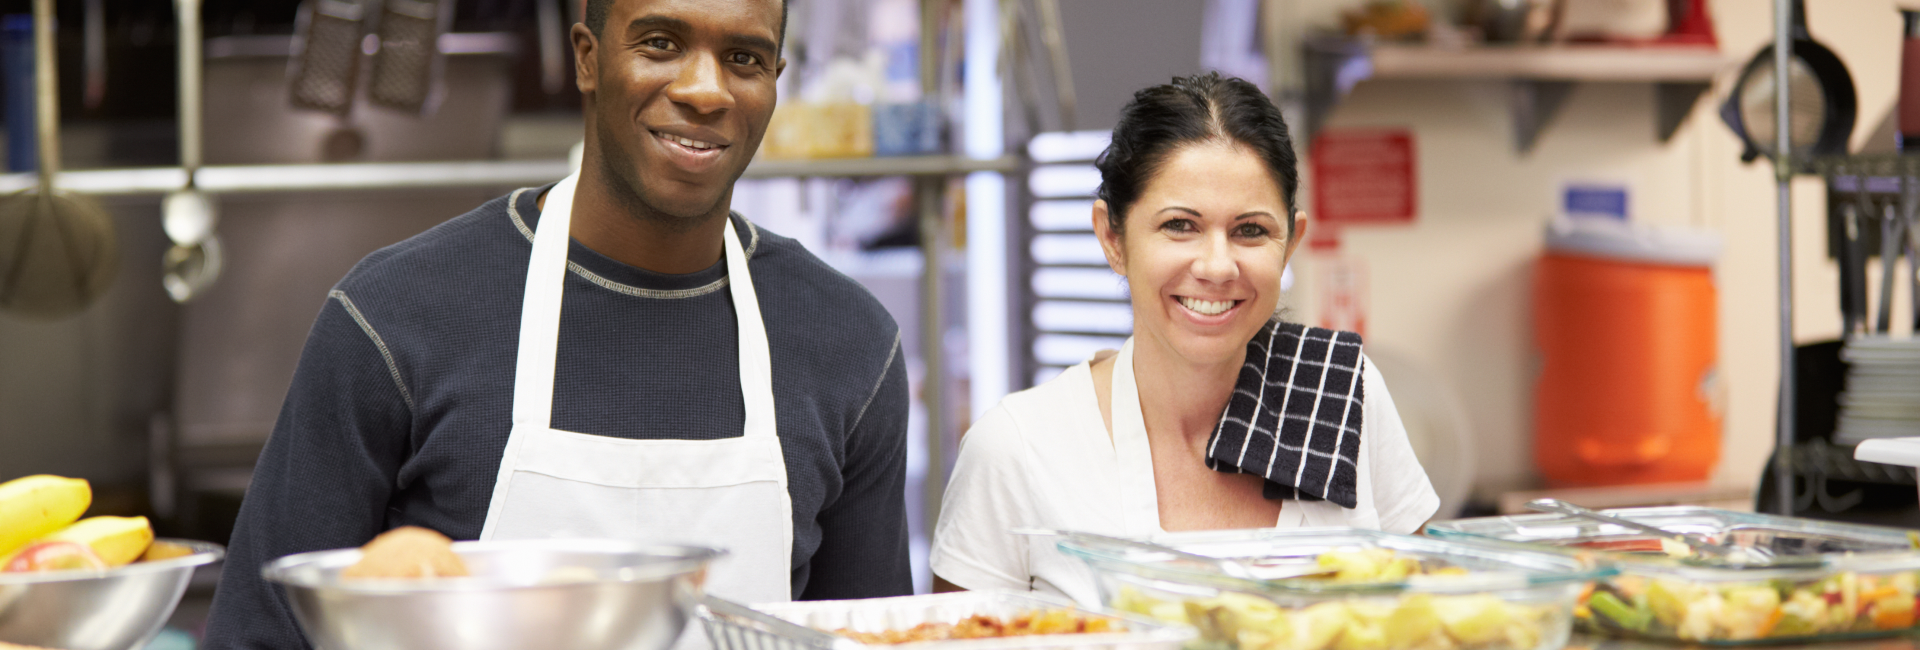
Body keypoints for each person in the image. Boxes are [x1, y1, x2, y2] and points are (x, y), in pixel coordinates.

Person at [205, 0, 912, 646]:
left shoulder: (850, 344)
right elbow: (259, 635)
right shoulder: (395, 317)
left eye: (745, 59)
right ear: (587, 58)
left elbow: (870, 636)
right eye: (661, 43)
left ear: (775, 81)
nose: (706, 90)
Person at [928, 72, 1438, 605]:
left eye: (1251, 230)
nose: (1218, 266)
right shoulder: (1019, 448)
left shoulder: (1345, 396)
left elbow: (1432, 621)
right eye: (1179, 225)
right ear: (1112, 237)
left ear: (1291, 244)